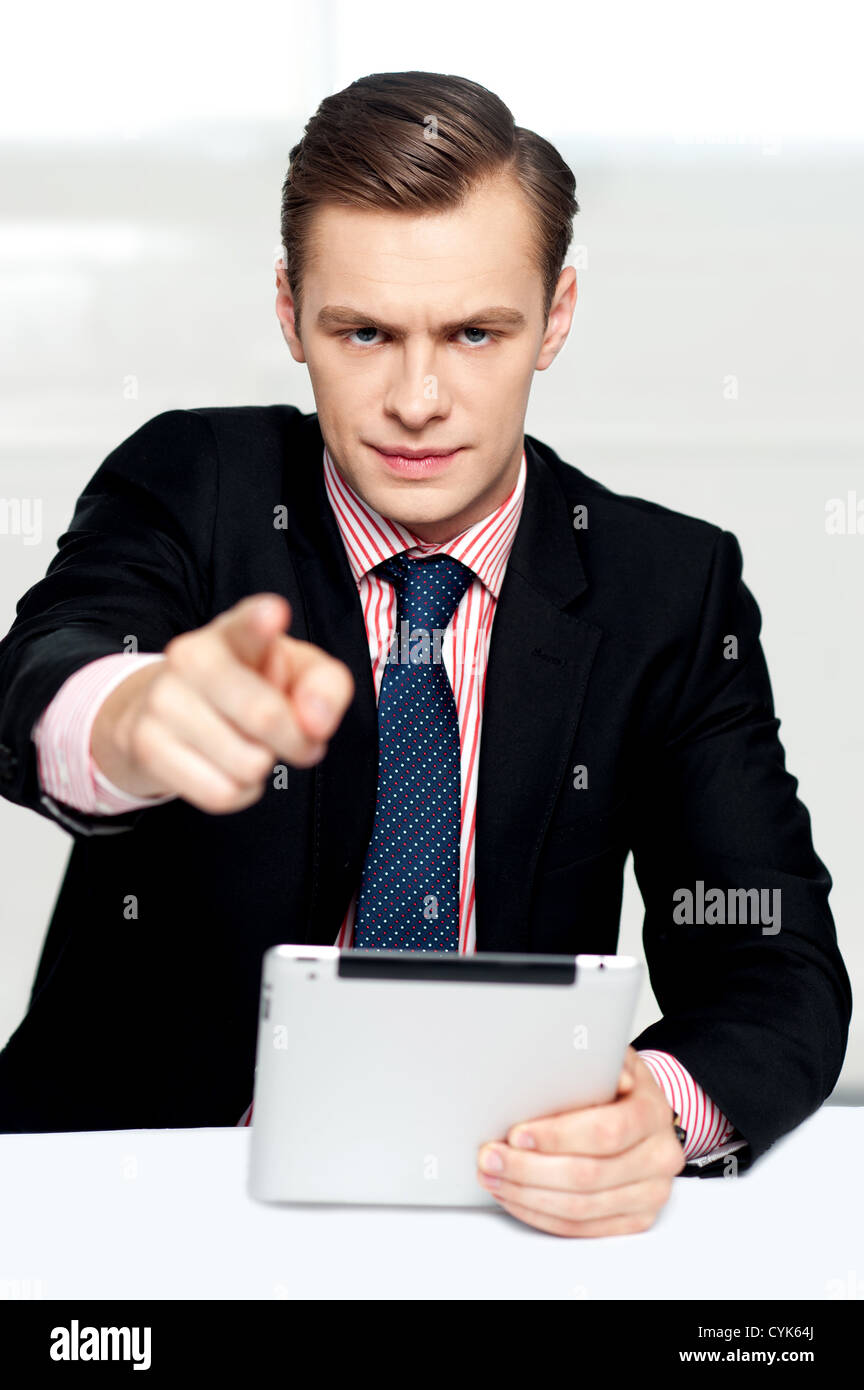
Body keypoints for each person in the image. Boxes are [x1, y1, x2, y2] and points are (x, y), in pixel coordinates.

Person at [0, 71, 850, 1239]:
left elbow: (770, 962)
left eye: (474, 332)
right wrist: (131, 715)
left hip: (495, 1214)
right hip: (144, 1196)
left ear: (554, 318)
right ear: (291, 310)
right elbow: (50, 664)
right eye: (363, 332)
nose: (417, 399)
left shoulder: (669, 587)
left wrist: (654, 1110)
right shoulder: (194, 484)